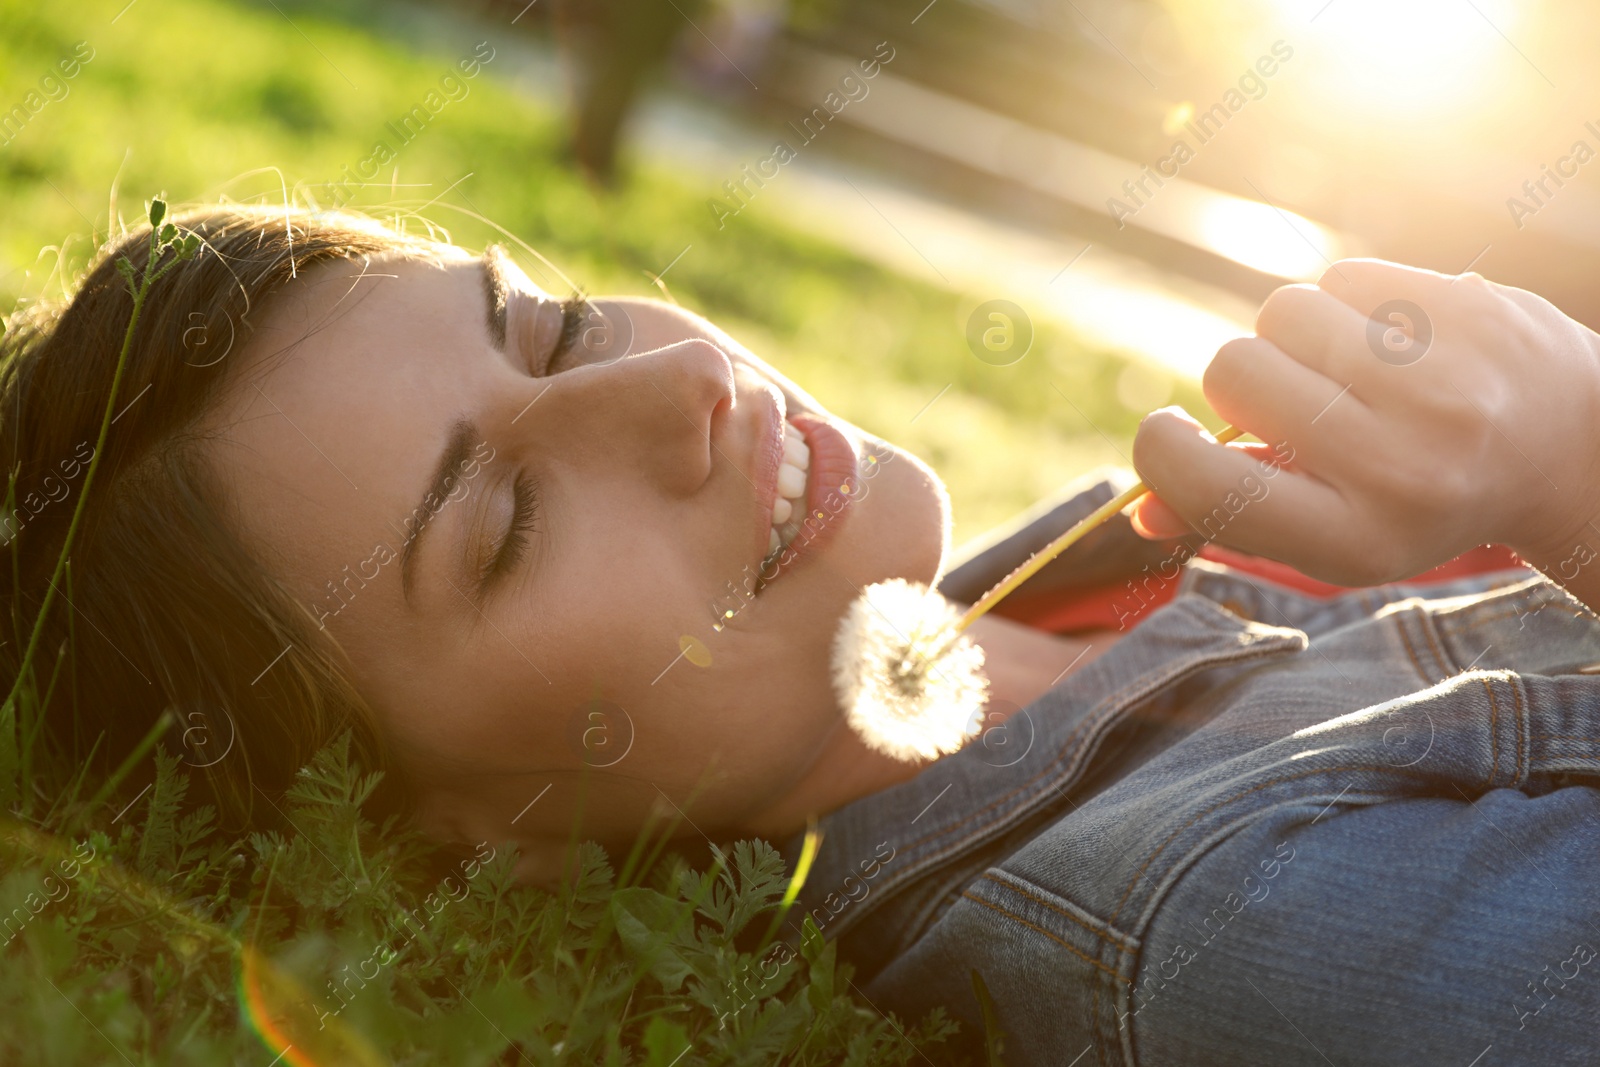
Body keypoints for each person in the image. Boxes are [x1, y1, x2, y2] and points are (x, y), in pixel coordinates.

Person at [5, 206, 1597, 1063]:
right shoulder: (1221, 934)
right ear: (481, 847)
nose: (678, 389)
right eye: (508, 527)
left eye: (548, 329)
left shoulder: (1072, 567)